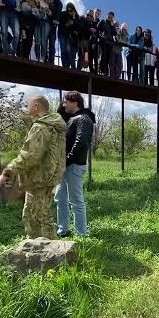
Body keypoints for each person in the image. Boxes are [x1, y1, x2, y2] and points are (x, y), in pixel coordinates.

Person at [0, 95, 66, 240]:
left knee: (41, 218)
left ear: (36, 106)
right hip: (44, 177)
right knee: (31, 215)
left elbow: (30, 156)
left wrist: (6, 174)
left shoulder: (40, 127)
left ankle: (51, 253)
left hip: (39, 179)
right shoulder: (52, 126)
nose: (26, 108)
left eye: (28, 105)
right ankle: (35, 246)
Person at [55, 91, 96, 237]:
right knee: (60, 199)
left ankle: (82, 234)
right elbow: (59, 112)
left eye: (66, 101)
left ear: (75, 102)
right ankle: (63, 231)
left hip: (74, 165)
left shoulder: (84, 119)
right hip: (65, 165)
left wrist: (66, 160)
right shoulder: (71, 118)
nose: (63, 104)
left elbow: (81, 143)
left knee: (76, 201)